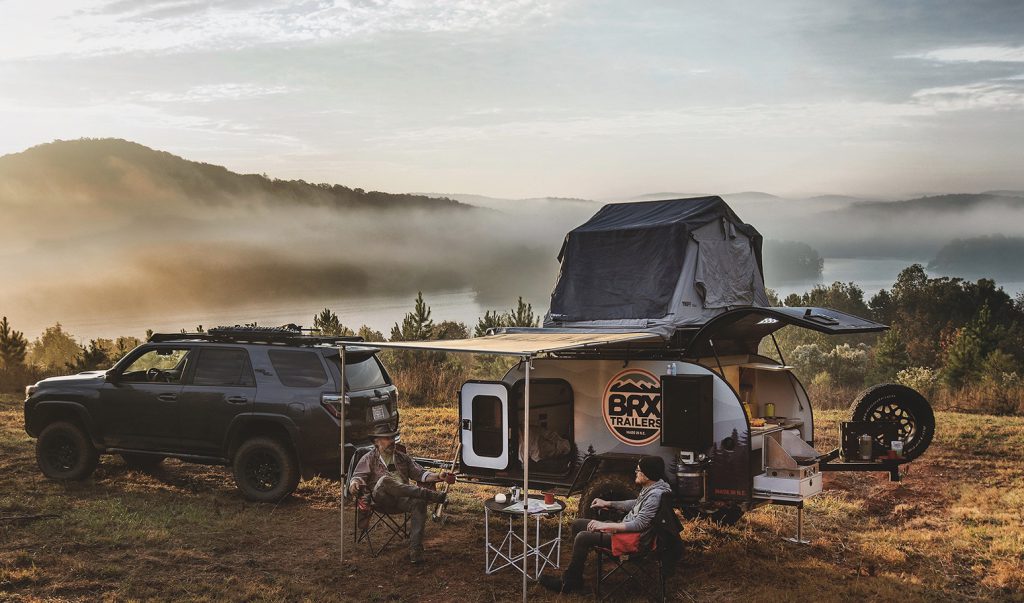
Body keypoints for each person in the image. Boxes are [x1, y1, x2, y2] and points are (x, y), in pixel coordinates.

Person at [539, 455, 673, 594]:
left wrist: (604, 526)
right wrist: (608, 503)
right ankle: (577, 568)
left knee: (582, 537)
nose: (636, 472)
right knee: (578, 524)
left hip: (634, 541)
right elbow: (636, 504)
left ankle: (570, 583)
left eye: (638, 470)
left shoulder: (654, 496)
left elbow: (639, 524)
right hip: (630, 534)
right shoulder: (654, 487)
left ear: (647, 475)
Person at [348, 425, 449, 565]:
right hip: (381, 500)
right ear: (376, 441)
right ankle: (429, 495)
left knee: (419, 503)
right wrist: (354, 485)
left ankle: (415, 551)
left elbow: (420, 474)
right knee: (384, 480)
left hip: (402, 499)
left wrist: (439, 475)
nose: (392, 441)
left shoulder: (402, 458)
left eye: (393, 437)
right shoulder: (369, 458)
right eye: (387, 438)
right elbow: (357, 477)